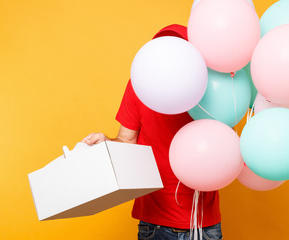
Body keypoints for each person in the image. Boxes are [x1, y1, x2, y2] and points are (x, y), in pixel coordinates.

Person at [82, 24, 222, 240]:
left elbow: (224, 145)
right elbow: (126, 140)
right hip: (155, 224)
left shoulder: (209, 89)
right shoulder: (139, 85)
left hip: (203, 224)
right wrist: (106, 143)